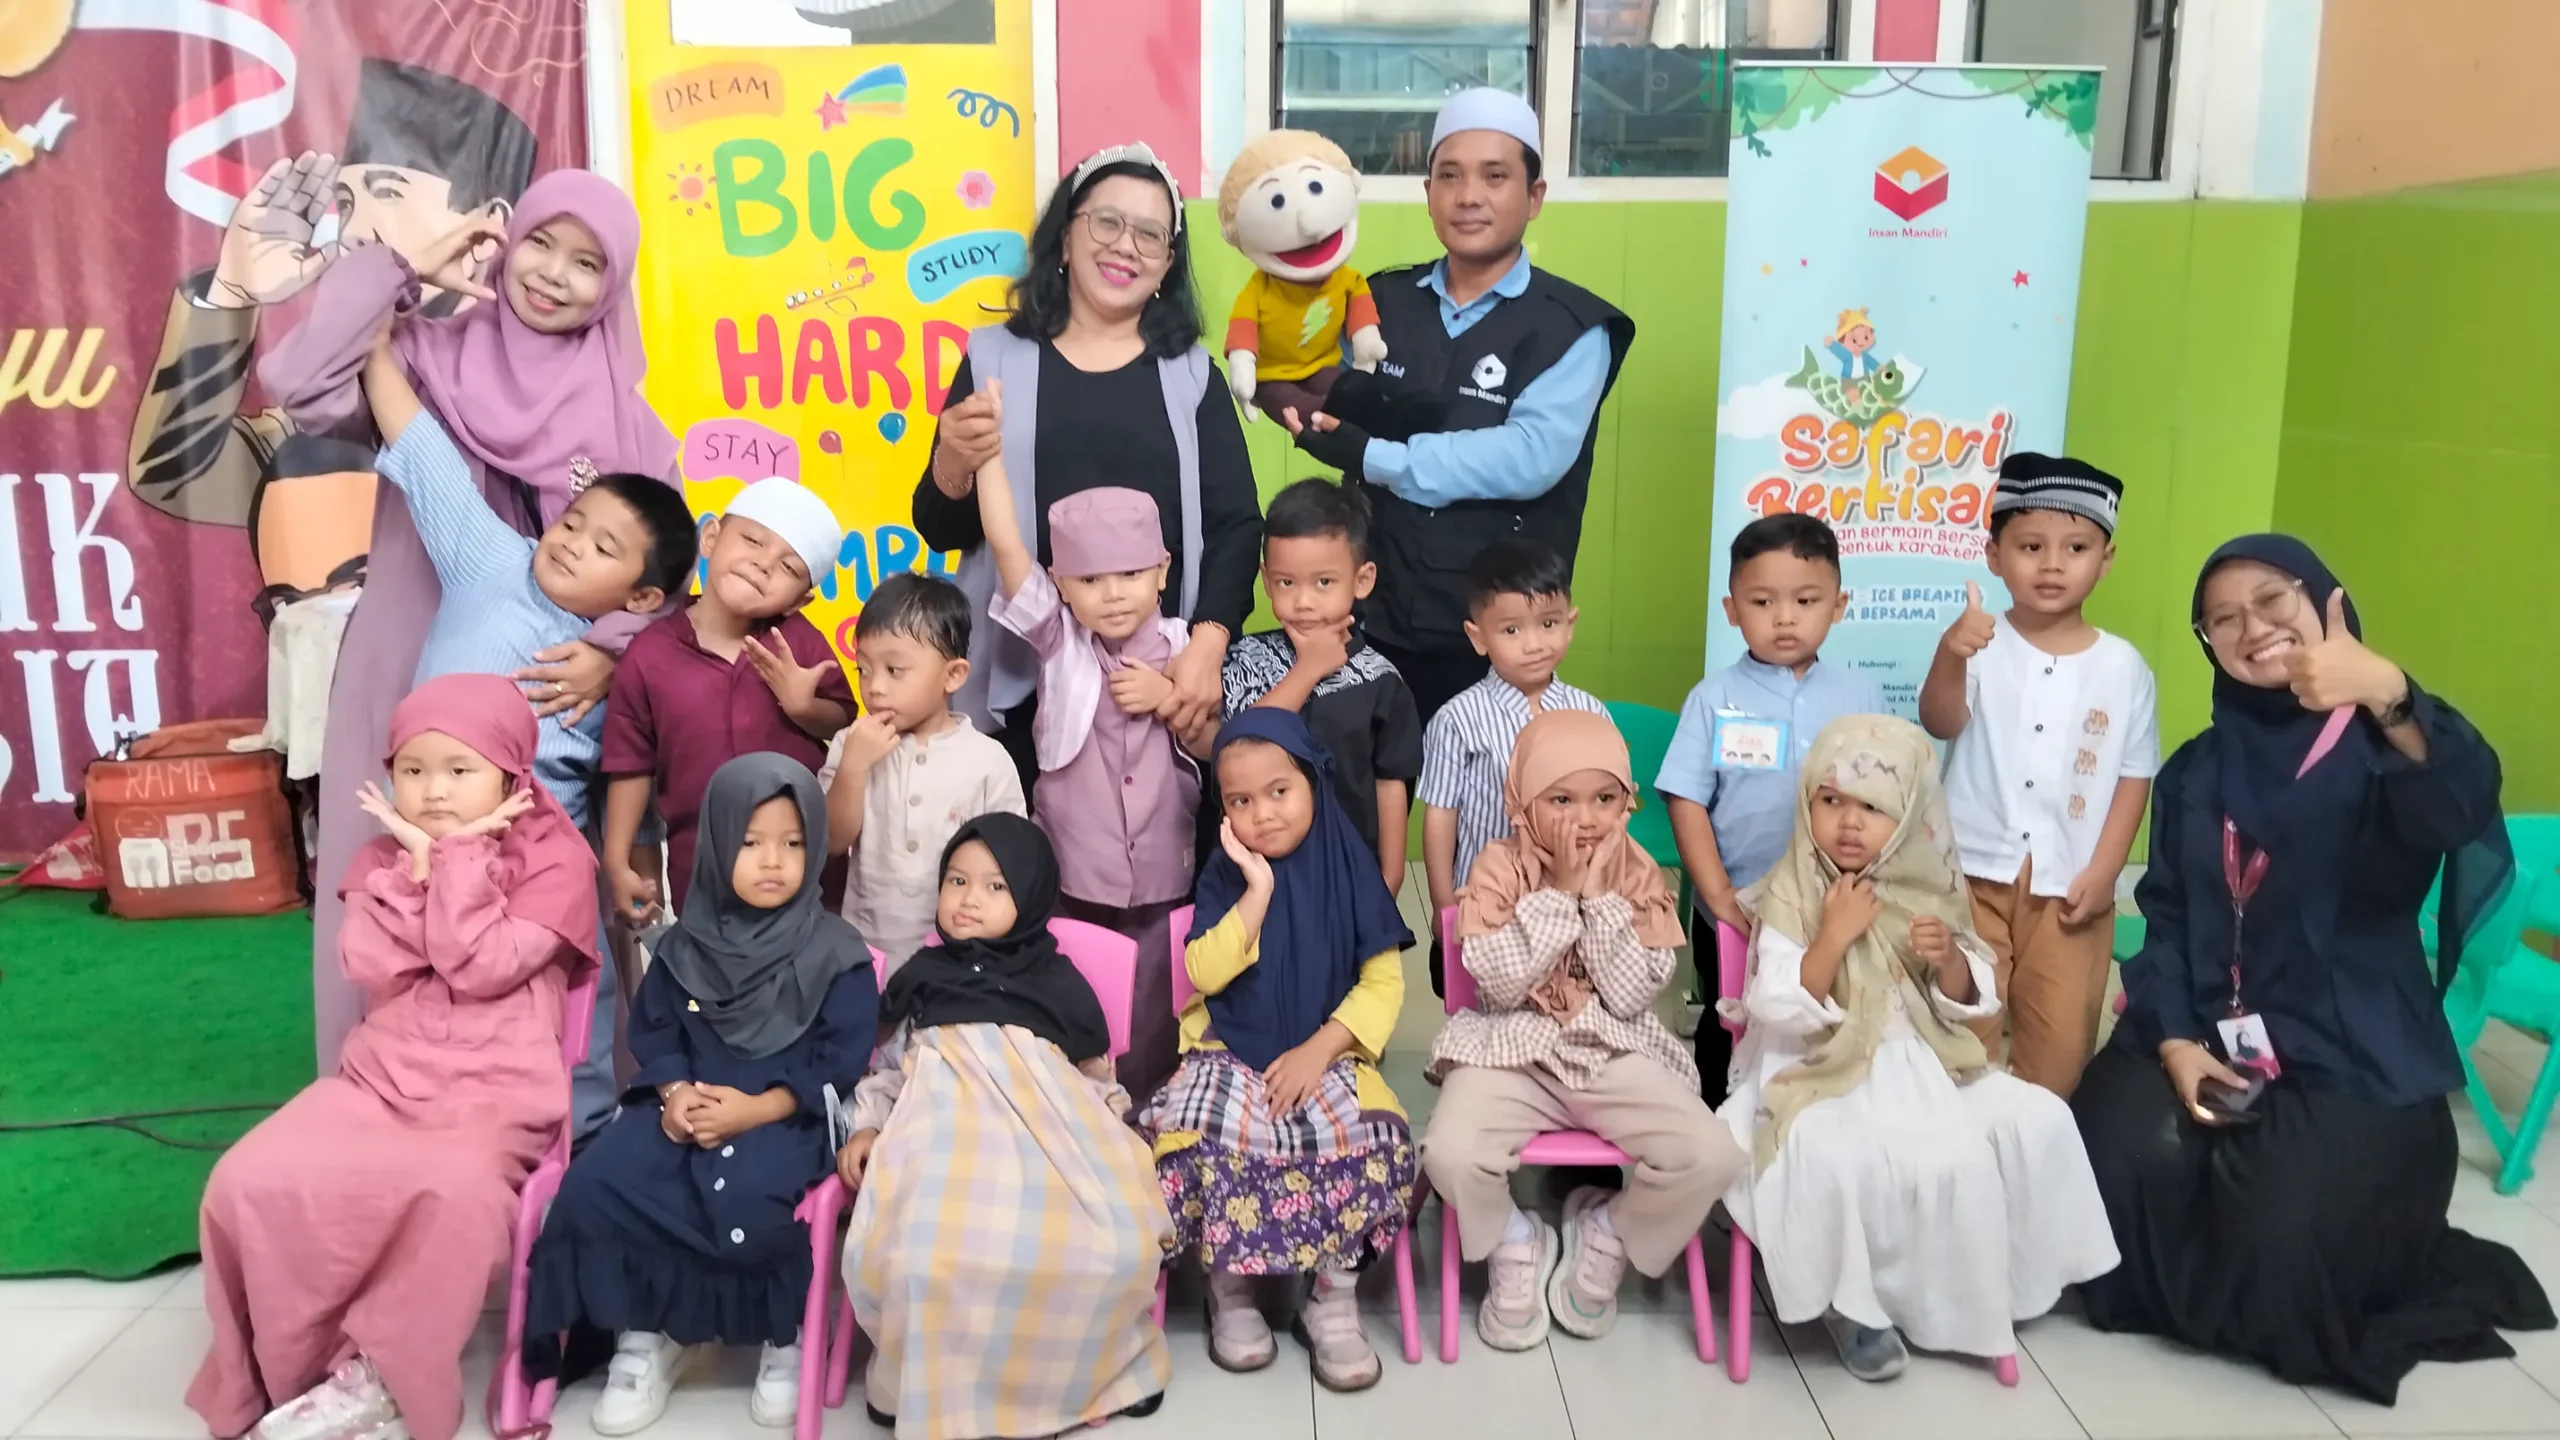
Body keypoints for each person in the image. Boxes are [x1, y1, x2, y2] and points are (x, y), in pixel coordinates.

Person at [2073, 535, 2553, 1404]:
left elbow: (2461, 806)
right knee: (2109, 1152)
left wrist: (2389, 693)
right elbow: (2170, 911)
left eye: (2272, 600)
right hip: (2209, 1020)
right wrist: (2174, 1041)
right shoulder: (2197, 769)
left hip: (2351, 1038)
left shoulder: (2386, 745)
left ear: (2326, 600)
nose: (2251, 627)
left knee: (2285, 1230)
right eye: (2223, 620)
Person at [259, 169, 679, 1076]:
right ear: (506, 240)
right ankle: (386, 1086)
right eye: (541, 244)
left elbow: (665, 586)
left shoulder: (633, 425)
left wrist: (607, 654)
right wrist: (402, 271)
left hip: (557, 702)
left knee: (547, 897)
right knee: (399, 871)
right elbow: (295, 378)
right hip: (412, 654)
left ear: (613, 286)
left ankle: (561, 1109)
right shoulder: (423, 353)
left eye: (586, 263)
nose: (553, 274)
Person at [189, 675, 598, 1440]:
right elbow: (370, 959)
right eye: (413, 770)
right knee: (245, 1179)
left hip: (497, 1092)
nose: (433, 790)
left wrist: (451, 861)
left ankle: (381, 1374)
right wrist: (415, 865)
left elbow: (480, 964)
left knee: (454, 1195)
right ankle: (290, 1370)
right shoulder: (383, 851)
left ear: (511, 774)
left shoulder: (555, 861)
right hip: (377, 1083)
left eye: (459, 769)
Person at [356, 326, 694, 1134]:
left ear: (643, 598)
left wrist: (633, 860)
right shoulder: (490, 560)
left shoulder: (635, 662)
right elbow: (426, 456)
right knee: (415, 991)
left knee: (567, 1002)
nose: (570, 545)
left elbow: (635, 770)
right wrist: (374, 344)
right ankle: (411, 1125)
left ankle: (577, 1140)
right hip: (428, 842)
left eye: (604, 547)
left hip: (541, 862)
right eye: (572, 523)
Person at [1721, 714, 2118, 1383]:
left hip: (1922, 1058)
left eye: (1873, 807)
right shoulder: (1795, 888)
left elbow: (1972, 998)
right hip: (1814, 1064)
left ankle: (1998, 1280)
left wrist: (1951, 966)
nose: (1849, 823)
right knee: (1845, 1155)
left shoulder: (1928, 887)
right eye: (1831, 800)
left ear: (1910, 816)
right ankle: (1851, 1306)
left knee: (2040, 1118)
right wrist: (1833, 937)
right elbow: (1775, 1004)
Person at [523, 755, 877, 1434]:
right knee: (602, 1182)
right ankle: (644, 1329)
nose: (772, 861)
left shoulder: (837, 951)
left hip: (787, 1112)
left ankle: (780, 1331)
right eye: (750, 842)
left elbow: (841, 1060)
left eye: (793, 842)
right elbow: (658, 1034)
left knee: (751, 1192)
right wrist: (676, 1093)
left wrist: (758, 1108)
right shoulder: (684, 946)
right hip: (681, 1105)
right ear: (716, 844)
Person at [912, 140, 1261, 790]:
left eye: (1150, 234)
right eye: (1107, 222)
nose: (1126, 245)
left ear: (1167, 265)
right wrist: (953, 462)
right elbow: (939, 526)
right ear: (1066, 239)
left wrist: (1209, 645)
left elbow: (1237, 525)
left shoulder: (1190, 377)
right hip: (1021, 685)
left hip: (1158, 684)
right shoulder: (994, 360)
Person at [1281, 87, 1636, 722]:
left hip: (1500, 636)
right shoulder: (1376, 302)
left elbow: (1529, 457)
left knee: (1491, 784)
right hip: (1370, 618)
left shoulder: (1574, 327)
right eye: (1449, 176)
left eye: (1494, 176)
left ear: (1534, 196)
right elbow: (1310, 379)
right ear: (1428, 194)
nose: (1468, 196)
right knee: (1359, 778)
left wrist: (1373, 454)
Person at [839, 815, 1171, 1437]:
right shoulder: (922, 977)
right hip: (942, 1135)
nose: (969, 898)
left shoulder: (1059, 983)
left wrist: (1114, 1131)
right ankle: (919, 1386)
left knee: (1107, 1242)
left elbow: (1094, 1080)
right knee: (919, 1253)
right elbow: (889, 1070)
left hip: (1049, 1134)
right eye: (957, 880)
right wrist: (867, 1125)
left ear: (1031, 894)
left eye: (996, 886)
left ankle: (1097, 1376)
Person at [1425, 711, 1746, 1351]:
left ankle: (1608, 1231)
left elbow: (1629, 997)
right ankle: (1516, 1240)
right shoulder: (1497, 868)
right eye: (1561, 800)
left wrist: (1597, 902)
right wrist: (1561, 894)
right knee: (1449, 1153)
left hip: (1612, 1051)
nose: (1587, 819)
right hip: (1511, 1051)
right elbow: (1503, 987)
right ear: (1523, 802)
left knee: (1713, 1154)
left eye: (1605, 798)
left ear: (1628, 801)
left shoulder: (1638, 874)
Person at [129, 60, 540, 528]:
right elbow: (174, 475)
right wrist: (231, 291)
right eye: (345, 203)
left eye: (387, 194)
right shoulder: (332, 407)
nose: (355, 228)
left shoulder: (539, 398)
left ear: (487, 226)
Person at [1141, 709, 1416, 1392]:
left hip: (1330, 1048)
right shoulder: (1226, 874)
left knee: (1377, 1140)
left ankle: (1331, 1295)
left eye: (1279, 791)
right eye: (1239, 801)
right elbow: (1204, 972)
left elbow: (1382, 985)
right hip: (1228, 1046)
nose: (1261, 814)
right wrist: (1256, 892)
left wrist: (1319, 1050)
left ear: (1313, 783)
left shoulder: (1349, 866)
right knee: (1202, 1137)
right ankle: (1231, 1289)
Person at [976, 420, 1202, 1095]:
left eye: (1131, 573)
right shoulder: (1060, 642)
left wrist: (1169, 698)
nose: (1113, 592)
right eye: (1091, 578)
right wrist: (988, 457)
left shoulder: (1186, 650)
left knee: (1157, 1006)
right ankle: (1077, 1110)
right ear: (1061, 585)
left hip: (1162, 870)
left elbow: (1219, 746)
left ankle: (1148, 1117)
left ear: (1162, 572)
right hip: (1074, 870)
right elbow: (1006, 546)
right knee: (1075, 997)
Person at [1918, 455, 2156, 1097]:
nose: (2053, 565)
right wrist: (1951, 653)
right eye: (2030, 547)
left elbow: (2134, 776)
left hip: (2071, 886)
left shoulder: (2124, 667)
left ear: (2105, 559)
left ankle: (2036, 1149)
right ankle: (1955, 1148)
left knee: (2059, 1048)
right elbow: (1940, 721)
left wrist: (2106, 871)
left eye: (2076, 548)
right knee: (1959, 1031)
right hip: (1970, 874)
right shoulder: (1979, 642)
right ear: (1994, 557)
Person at [1659, 513, 1882, 1103]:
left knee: (1828, 1010)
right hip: (1738, 905)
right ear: (1732, 610)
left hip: (1836, 903)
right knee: (1729, 1014)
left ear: (1838, 606)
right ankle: (1718, 1119)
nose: (1785, 617)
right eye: (1762, 602)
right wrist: (1717, 896)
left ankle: (1814, 1114)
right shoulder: (1714, 698)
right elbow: (1685, 797)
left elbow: (1890, 795)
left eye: (1806, 600)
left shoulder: (1862, 696)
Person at [600, 476, 857, 923]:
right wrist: (617, 859)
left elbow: (843, 722)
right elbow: (630, 765)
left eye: (788, 567)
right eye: (752, 541)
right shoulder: (649, 654)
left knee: (812, 965)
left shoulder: (800, 643)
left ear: (800, 600)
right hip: (702, 872)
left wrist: (804, 707)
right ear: (712, 537)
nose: (762, 564)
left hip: (805, 875)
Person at [1419, 538, 1607, 995]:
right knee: (1484, 1005)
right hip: (1487, 905)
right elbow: (1440, 816)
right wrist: (1444, 904)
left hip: (1573, 898)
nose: (1534, 644)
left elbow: (1610, 808)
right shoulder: (1458, 719)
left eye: (1548, 624)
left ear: (1570, 623)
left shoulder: (1591, 713)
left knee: (1565, 999)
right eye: (1511, 630)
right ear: (1478, 637)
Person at [1217, 478, 1423, 886]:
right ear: (1266, 579)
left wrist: (1390, 877)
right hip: (1254, 878)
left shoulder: (1381, 679)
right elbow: (1238, 744)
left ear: (1362, 580)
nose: (1304, 601)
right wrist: (1308, 669)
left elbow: (1390, 785)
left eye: (1324, 582)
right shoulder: (1244, 659)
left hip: (1348, 876)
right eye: (1286, 582)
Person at [817, 574, 1026, 971]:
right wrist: (853, 768)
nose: (874, 687)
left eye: (894, 670)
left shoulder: (988, 760)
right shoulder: (851, 743)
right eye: (863, 670)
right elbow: (830, 841)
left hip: (957, 959)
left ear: (953, 675)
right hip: (867, 952)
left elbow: (1010, 867)